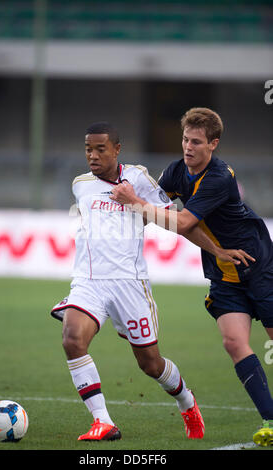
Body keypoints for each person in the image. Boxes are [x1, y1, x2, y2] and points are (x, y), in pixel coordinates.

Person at [51, 121, 252, 443]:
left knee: (150, 363)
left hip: (131, 285)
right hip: (89, 282)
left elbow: (178, 222)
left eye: (101, 149)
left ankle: (187, 402)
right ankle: (103, 422)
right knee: (72, 340)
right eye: (88, 149)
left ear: (117, 149)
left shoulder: (139, 180)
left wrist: (217, 250)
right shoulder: (81, 184)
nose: (93, 155)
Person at [110, 108, 273, 447]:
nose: (188, 147)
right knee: (233, 342)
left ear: (213, 144)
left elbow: (181, 223)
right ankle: (270, 421)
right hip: (224, 273)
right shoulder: (175, 171)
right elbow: (159, 213)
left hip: (258, 266)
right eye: (185, 139)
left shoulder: (219, 177)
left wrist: (136, 202)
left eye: (196, 142)